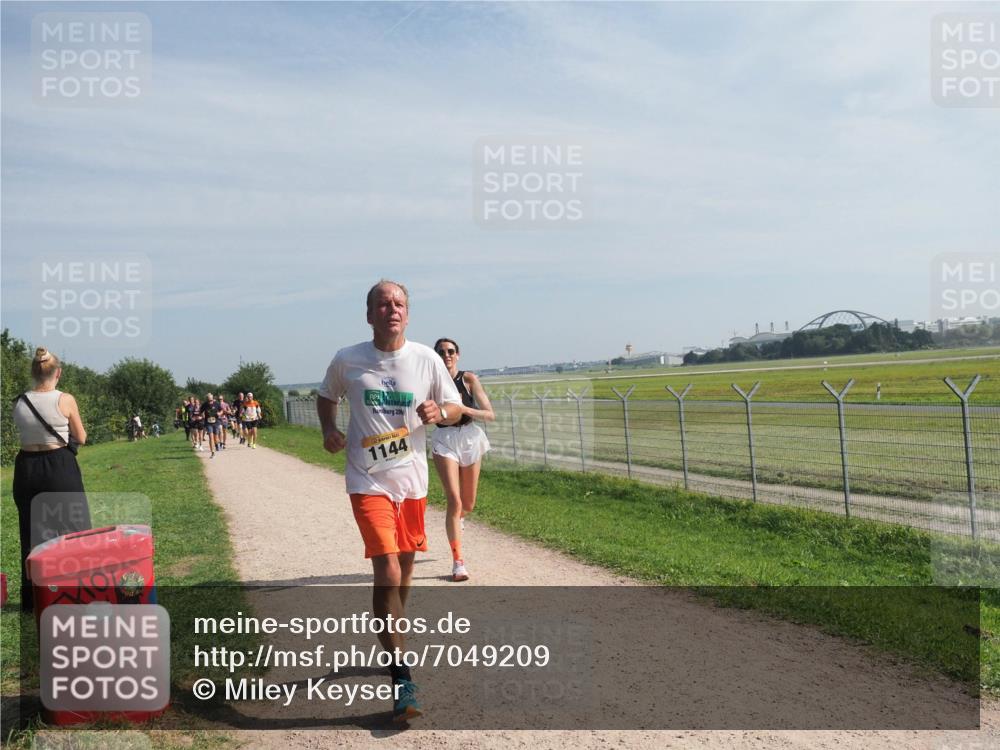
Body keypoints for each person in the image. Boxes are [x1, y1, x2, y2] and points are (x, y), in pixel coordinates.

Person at [317, 280, 463, 724]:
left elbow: (455, 407)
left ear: (408, 313)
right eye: (382, 304)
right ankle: (402, 676)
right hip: (367, 480)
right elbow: (326, 397)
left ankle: (392, 636)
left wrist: (440, 413)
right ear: (369, 314)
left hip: (412, 484)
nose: (391, 309)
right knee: (388, 567)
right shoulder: (348, 359)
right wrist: (328, 430)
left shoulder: (426, 359)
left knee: (405, 570)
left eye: (398, 303)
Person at [11, 348, 92, 613]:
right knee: (74, 530)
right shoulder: (65, 399)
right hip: (59, 467)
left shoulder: (20, 401)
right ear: (57, 373)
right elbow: (80, 438)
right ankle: (80, 592)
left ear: (33, 373)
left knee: (32, 535)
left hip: (27, 468)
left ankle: (34, 601)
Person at [430, 338, 495, 582]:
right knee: (454, 501)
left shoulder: (468, 379)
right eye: (441, 352)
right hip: (444, 439)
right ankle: (458, 562)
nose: (446, 355)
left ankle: (460, 520)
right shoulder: (432, 383)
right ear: (436, 356)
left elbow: (490, 414)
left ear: (458, 355)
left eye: (450, 351)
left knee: (468, 504)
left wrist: (463, 408)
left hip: (469, 437)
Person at [200, 393, 222, 458]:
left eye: (211, 400)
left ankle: (216, 444)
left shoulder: (217, 404)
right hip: (208, 423)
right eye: (208, 400)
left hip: (216, 422)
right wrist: (202, 415)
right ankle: (212, 452)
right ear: (207, 399)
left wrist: (219, 413)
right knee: (210, 437)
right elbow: (201, 411)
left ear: (213, 399)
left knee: (216, 437)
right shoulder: (204, 405)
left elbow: (221, 410)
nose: (210, 401)